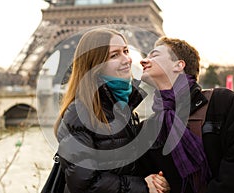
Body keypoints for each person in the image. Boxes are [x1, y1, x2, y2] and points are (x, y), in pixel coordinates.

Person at [138, 36, 234, 193]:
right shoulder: (150, 127)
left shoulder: (224, 103)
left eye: (154, 55)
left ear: (179, 64)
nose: (143, 61)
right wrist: (151, 182)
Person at [54, 27, 170, 193]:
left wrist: (156, 181)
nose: (127, 59)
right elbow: (84, 184)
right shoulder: (79, 113)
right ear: (95, 65)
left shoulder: (122, 107)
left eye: (125, 51)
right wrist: (143, 187)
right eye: (114, 55)